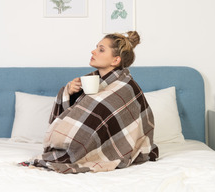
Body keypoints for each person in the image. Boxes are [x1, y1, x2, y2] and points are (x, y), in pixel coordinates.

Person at [30, 31, 158, 174]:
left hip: (110, 146)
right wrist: (71, 92)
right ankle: (74, 150)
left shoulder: (126, 87)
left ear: (115, 60)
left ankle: (78, 152)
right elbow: (84, 109)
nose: (93, 51)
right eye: (96, 47)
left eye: (101, 49)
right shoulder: (91, 80)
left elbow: (102, 114)